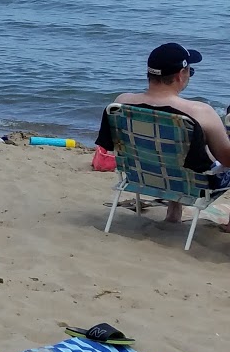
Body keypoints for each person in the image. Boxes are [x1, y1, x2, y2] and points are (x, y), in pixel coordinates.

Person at [97, 43, 230, 226]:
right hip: (192, 183)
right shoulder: (201, 112)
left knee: (172, 147)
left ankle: (174, 211)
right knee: (189, 151)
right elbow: (227, 160)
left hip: (142, 176)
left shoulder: (122, 104)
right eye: (190, 71)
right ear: (179, 75)